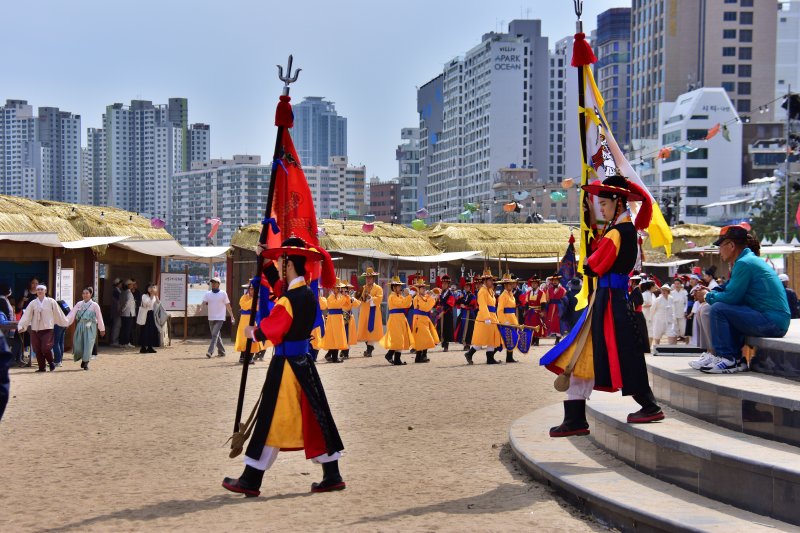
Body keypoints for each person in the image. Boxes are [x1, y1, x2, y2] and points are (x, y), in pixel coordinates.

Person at [542, 174, 664, 437]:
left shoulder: (619, 232)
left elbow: (593, 265)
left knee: (617, 352)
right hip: (610, 298)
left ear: (619, 203)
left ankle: (647, 405)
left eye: (606, 204)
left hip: (610, 301)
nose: (602, 209)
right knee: (591, 352)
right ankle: (577, 418)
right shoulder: (623, 230)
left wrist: (590, 261)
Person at [224, 237, 344, 497]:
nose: (278, 266)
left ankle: (250, 478)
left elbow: (274, 328)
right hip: (305, 364)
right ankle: (332, 474)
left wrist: (252, 332)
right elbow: (280, 289)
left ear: (289, 264)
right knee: (317, 416)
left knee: (269, 420)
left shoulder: (289, 299)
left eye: (280, 262)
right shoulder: (308, 295)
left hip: (286, 367)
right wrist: (265, 259)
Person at [691, 225, 790, 373]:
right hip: (771, 318)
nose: (719, 251)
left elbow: (731, 297)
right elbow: (728, 287)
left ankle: (727, 358)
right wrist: (710, 291)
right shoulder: (746, 260)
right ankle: (736, 359)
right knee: (716, 307)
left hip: (772, 321)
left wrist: (706, 296)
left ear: (731, 245)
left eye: (721, 246)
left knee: (718, 309)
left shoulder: (744, 263)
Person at [17, 284, 69, 372]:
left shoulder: (51, 301)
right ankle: (42, 367)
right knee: (37, 349)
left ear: (45, 291)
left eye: (41, 289)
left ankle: (51, 362)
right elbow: (27, 315)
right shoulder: (33, 303)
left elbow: (58, 313)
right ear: (36, 292)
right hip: (35, 329)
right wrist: (22, 325)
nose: (40, 291)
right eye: (38, 290)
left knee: (45, 347)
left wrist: (64, 322)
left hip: (47, 328)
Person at [464, 269, 502, 365]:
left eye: (492, 280)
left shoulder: (490, 291)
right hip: (485, 317)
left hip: (492, 316)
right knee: (482, 338)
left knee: (491, 338)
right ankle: (469, 354)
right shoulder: (482, 291)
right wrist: (486, 318)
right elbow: (483, 305)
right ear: (485, 281)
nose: (492, 282)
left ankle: (490, 358)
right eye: (490, 280)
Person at [64, 287, 106, 370]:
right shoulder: (79, 304)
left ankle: (86, 361)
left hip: (90, 326)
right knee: (78, 343)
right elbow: (72, 314)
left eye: (87, 293)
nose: (85, 295)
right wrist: (66, 322)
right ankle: (82, 357)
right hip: (80, 325)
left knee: (88, 344)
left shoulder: (95, 305)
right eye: (83, 293)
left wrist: (102, 329)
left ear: (91, 294)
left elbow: (99, 317)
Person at [379, 276, 412, 366]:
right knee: (398, 339)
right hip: (395, 319)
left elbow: (408, 304)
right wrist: (408, 296)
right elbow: (402, 303)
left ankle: (394, 357)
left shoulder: (399, 296)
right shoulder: (392, 297)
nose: (400, 288)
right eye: (398, 286)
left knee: (400, 339)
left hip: (400, 319)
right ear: (393, 287)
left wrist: (408, 296)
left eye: (400, 286)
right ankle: (392, 357)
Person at [202, 277, 235, 358]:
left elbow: (228, 305)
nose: (213, 284)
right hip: (211, 317)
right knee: (217, 335)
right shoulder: (208, 293)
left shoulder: (223, 293)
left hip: (220, 317)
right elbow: (203, 302)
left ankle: (210, 351)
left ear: (219, 284)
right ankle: (222, 352)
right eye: (212, 282)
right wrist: (200, 308)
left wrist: (232, 316)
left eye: (215, 282)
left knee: (214, 335)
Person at [355, 268, 384, 357]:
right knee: (364, 329)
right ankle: (369, 347)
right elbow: (359, 298)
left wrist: (371, 298)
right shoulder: (363, 288)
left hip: (373, 312)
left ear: (373, 278)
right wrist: (357, 296)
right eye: (367, 278)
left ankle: (369, 350)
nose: (368, 279)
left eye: (370, 277)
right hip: (364, 311)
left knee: (371, 330)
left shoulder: (378, 288)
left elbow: (379, 299)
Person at [322, 280, 351, 364]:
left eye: (339, 288)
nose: (338, 290)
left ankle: (333, 356)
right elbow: (337, 304)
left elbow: (347, 306)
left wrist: (347, 297)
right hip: (333, 319)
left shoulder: (339, 296)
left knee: (337, 337)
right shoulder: (330, 297)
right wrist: (344, 297)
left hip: (338, 318)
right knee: (335, 337)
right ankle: (334, 357)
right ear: (333, 288)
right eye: (336, 288)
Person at [410, 277, 438, 364]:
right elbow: (426, 307)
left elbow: (429, 304)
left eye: (424, 288)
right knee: (424, 338)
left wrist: (432, 295)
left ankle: (420, 357)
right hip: (419, 319)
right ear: (418, 289)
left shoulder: (424, 297)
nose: (424, 289)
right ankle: (421, 356)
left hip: (424, 319)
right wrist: (431, 297)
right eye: (422, 288)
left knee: (424, 338)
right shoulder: (417, 298)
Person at [235, 283, 265, 364]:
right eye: (251, 289)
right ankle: (242, 357)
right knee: (244, 339)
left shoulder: (259, 299)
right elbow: (244, 306)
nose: (252, 291)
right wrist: (253, 302)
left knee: (253, 339)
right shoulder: (244, 297)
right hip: (244, 321)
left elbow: (258, 308)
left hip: (254, 320)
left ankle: (250, 358)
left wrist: (253, 304)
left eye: (254, 289)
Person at [496, 272, 520, 363]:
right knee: (505, 339)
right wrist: (504, 321)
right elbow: (499, 310)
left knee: (512, 338)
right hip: (506, 319)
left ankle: (509, 357)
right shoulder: (502, 296)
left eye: (511, 283)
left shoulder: (511, 295)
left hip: (512, 318)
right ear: (505, 285)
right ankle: (491, 354)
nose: (511, 285)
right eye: (509, 284)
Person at [523, 277, 548, 346]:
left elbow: (543, 303)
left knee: (537, 326)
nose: (533, 285)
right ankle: (531, 340)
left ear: (537, 284)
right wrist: (525, 311)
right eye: (532, 283)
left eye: (535, 283)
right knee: (529, 326)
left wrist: (542, 312)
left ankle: (537, 340)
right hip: (529, 312)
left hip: (537, 312)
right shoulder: (528, 293)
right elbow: (526, 303)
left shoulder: (541, 293)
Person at [628, 276, 650, 353]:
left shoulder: (636, 291)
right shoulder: (636, 290)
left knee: (640, 331)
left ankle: (642, 348)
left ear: (634, 282)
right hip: (637, 313)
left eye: (631, 281)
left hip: (637, 313)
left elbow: (636, 303)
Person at [137, 283, 161, 354]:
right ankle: (143, 347)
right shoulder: (144, 296)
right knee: (145, 331)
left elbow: (158, 303)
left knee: (152, 331)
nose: (151, 289)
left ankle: (150, 347)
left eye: (153, 287)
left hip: (151, 314)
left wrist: (156, 295)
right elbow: (147, 303)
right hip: (146, 314)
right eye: (150, 288)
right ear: (147, 289)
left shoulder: (153, 296)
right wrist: (152, 295)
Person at [455, 281, 478, 350]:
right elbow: (457, 303)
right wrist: (460, 299)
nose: (466, 288)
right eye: (465, 287)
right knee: (462, 328)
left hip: (469, 314)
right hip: (463, 314)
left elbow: (474, 305)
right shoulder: (462, 295)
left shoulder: (472, 296)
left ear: (470, 288)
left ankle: (468, 344)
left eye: (468, 287)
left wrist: (465, 307)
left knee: (469, 329)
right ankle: (464, 343)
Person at [544, 275, 567, 343]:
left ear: (558, 281)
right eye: (553, 281)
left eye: (556, 281)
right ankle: (553, 334)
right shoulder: (549, 289)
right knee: (551, 321)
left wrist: (562, 306)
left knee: (558, 322)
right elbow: (547, 299)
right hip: (551, 307)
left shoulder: (563, 290)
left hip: (559, 308)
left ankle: (558, 338)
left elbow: (565, 300)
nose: (554, 282)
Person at [438, 275, 456, 352]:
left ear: (448, 285)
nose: (443, 285)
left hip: (447, 313)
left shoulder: (450, 293)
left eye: (445, 284)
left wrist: (443, 311)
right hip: (441, 312)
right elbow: (438, 302)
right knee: (441, 328)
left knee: (447, 329)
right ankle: (443, 342)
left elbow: (450, 304)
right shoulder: (441, 293)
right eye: (443, 284)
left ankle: (446, 345)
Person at [52, 299, 70, 366]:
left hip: (57, 324)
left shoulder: (55, 304)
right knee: (61, 342)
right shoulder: (62, 302)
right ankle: (60, 360)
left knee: (55, 343)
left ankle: (57, 361)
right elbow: (69, 311)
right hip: (64, 323)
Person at [119, 280, 136, 348]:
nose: (132, 285)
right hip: (129, 313)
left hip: (124, 313)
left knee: (124, 328)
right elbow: (127, 303)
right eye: (131, 284)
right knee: (127, 329)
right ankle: (126, 342)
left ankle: (122, 342)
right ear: (128, 285)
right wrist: (122, 309)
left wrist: (121, 310)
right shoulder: (129, 293)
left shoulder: (123, 292)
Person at [110, 278, 123, 347]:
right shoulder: (116, 291)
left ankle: (114, 340)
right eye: (120, 283)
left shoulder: (117, 291)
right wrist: (119, 310)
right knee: (116, 326)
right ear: (118, 284)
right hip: (116, 311)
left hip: (116, 311)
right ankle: (114, 341)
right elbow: (117, 303)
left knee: (117, 325)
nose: (121, 285)